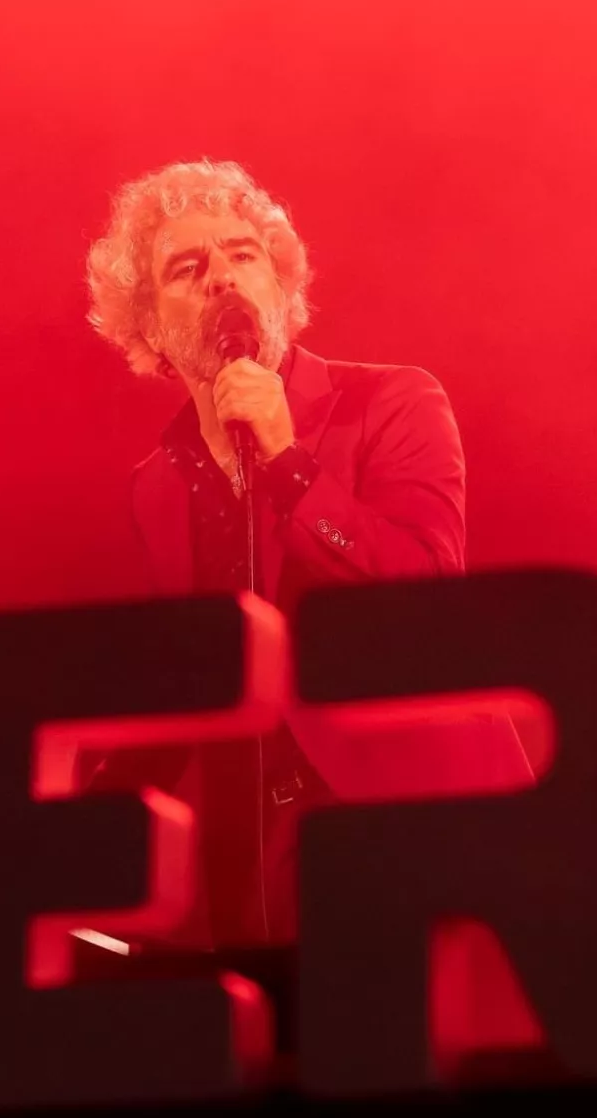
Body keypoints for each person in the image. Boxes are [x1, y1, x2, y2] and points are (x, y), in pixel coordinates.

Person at [82, 160, 536, 947]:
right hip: (263, 864)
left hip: (413, 832)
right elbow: (192, 683)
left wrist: (290, 466)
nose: (223, 277)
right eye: (188, 268)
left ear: (281, 287)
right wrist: (67, 817)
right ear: (150, 328)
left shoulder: (393, 402)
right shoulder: (156, 486)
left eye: (243, 254)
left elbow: (427, 596)